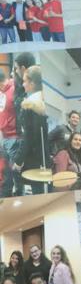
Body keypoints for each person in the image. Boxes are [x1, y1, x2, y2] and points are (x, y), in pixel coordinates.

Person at [13, 65, 48, 194]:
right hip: (44, 159)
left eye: (24, 81)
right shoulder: (44, 101)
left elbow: (28, 137)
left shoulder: (30, 104)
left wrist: (18, 160)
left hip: (34, 161)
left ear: (32, 83)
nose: (23, 84)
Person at [0, 68, 17, 198]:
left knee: (13, 172)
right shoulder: (2, 92)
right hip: (4, 136)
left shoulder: (13, 89)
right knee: (6, 171)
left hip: (14, 137)